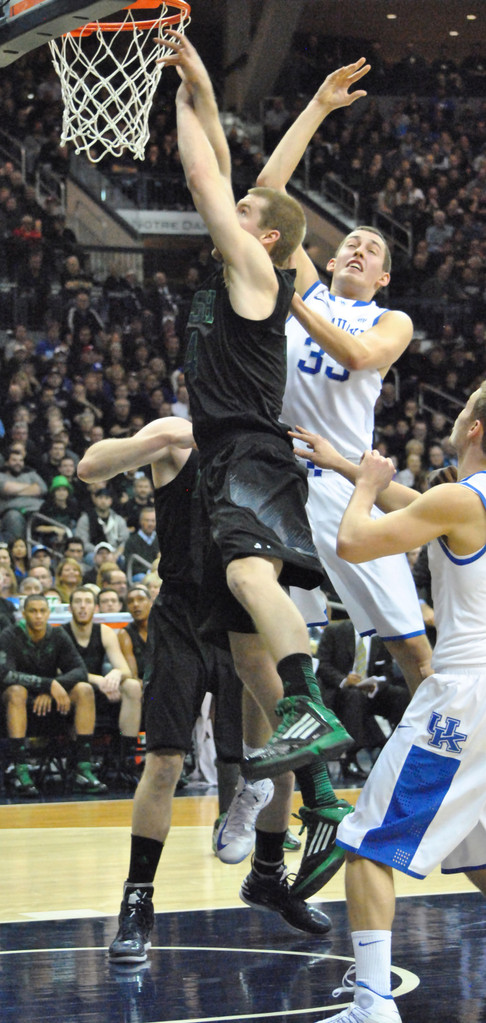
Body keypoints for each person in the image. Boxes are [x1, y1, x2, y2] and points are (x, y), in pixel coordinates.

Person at [158, 32, 353, 897]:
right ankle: (311, 797)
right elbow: (256, 184)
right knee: (244, 666)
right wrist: (204, 87)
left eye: (248, 209)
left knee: (248, 574)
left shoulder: (253, 270)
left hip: (249, 449)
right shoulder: (251, 258)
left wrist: (192, 98)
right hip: (219, 458)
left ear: (263, 234)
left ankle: (311, 706)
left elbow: (210, 180)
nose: (231, 204)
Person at [78, 415, 333, 964]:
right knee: (166, 762)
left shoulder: (273, 448)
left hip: (248, 618)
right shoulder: (179, 434)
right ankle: (136, 901)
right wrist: (164, 440)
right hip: (184, 615)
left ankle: (268, 874)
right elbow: (89, 466)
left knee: (282, 754)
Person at [291, 384, 486, 1022]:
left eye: (459, 414)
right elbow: (426, 508)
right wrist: (350, 467)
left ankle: (372, 1004)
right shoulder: (460, 503)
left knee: (368, 844)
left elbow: (354, 543)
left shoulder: (461, 497)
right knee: (480, 855)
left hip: (463, 697)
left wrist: (364, 490)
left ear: (475, 429)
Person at [256, 60, 432, 696]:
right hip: (278, 470)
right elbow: (268, 192)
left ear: (383, 276)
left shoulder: (393, 320)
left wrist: (290, 301)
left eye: (374, 250)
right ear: (330, 259)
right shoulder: (309, 284)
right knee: (266, 635)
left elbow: (359, 357)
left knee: (412, 646)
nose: (359, 249)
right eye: (352, 242)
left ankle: (446, 758)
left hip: (344, 479)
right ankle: (275, 774)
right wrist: (319, 109)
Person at [0, 592, 106, 796]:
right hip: (16, 702)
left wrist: (55, 686)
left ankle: (82, 769)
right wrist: (48, 685)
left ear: (49, 613)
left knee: (84, 689)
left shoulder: (56, 635)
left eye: (42, 611)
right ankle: (21, 771)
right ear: (23, 614)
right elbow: (5, 674)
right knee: (16, 691)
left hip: (51, 701)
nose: (38, 616)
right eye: (33, 611)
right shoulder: (9, 635)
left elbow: (80, 670)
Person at [64, 586, 142, 785]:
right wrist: (97, 679)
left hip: (100, 691)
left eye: (88, 602)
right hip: (70, 694)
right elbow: (60, 674)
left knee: (132, 686)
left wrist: (115, 674)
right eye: (78, 602)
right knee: (84, 689)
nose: (83, 607)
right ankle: (82, 765)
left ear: (96, 608)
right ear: (70, 608)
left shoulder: (105, 632)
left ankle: (127, 761)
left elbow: (124, 669)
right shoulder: (62, 634)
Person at [315, 620, 410, 781]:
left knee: (401, 695)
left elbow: (386, 672)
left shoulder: (380, 636)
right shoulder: (335, 631)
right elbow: (322, 666)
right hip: (339, 692)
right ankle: (349, 758)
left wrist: (376, 685)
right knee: (355, 697)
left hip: (369, 693)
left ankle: (393, 749)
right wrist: (345, 680)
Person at [0, 444, 47, 541]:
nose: (18, 463)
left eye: (21, 460)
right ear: (7, 462)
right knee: (14, 517)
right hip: (12, 512)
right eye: (14, 460)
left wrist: (15, 491)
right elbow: (5, 488)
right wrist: (32, 488)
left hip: (37, 509)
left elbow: (43, 488)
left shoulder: (31, 474)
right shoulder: (1, 476)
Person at [118, 584, 152, 681]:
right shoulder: (125, 634)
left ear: (151, 603)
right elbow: (133, 676)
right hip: (144, 687)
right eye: (130, 601)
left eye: (140, 599)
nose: (135, 604)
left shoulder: (162, 629)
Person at [123, 507, 160, 582]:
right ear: (140, 521)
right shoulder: (131, 541)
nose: (150, 524)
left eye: (153, 521)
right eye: (147, 520)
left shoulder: (162, 540)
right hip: (140, 575)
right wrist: (150, 572)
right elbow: (129, 565)